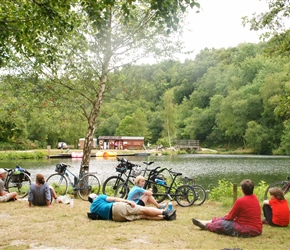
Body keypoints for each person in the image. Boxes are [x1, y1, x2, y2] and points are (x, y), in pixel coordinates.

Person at [191, 179, 262, 237]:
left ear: (242, 190)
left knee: (223, 224)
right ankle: (205, 222)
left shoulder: (240, 201)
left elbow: (230, 217)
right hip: (258, 228)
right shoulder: (255, 198)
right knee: (224, 219)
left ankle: (207, 226)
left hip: (248, 229)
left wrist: (226, 218)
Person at [88, 193, 176, 222]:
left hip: (116, 218)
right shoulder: (100, 197)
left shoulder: (92, 209)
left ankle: (165, 218)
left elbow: (96, 217)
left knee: (143, 216)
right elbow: (114, 199)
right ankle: (165, 212)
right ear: (94, 197)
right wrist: (128, 201)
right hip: (116, 207)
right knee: (143, 210)